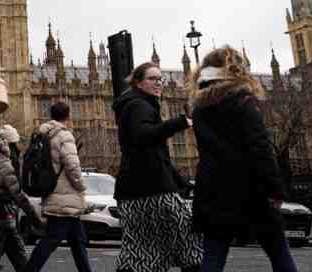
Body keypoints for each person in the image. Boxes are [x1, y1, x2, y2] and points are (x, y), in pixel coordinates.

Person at [189, 46, 296, 272]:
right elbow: (260, 149)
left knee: (213, 257)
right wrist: (275, 190)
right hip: (250, 191)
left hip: (213, 191)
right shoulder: (243, 102)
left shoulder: (199, 109)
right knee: (279, 253)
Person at [113, 62, 201, 272]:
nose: (158, 83)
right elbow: (143, 136)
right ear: (138, 82)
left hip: (133, 189)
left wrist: (182, 182)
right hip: (152, 189)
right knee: (190, 232)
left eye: (160, 79)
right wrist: (181, 122)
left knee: (141, 248)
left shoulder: (135, 104)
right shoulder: (139, 105)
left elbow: (155, 154)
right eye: (152, 78)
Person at [23, 101, 92, 272]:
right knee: (51, 240)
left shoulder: (43, 133)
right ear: (68, 116)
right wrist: (81, 186)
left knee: (78, 241)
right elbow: (72, 166)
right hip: (65, 195)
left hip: (54, 191)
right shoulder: (64, 135)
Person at [0, 137, 38, 272]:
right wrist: (31, 213)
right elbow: (17, 193)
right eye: (6, 146)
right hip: (3, 215)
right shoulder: (5, 166)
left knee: (17, 253)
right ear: (2, 149)